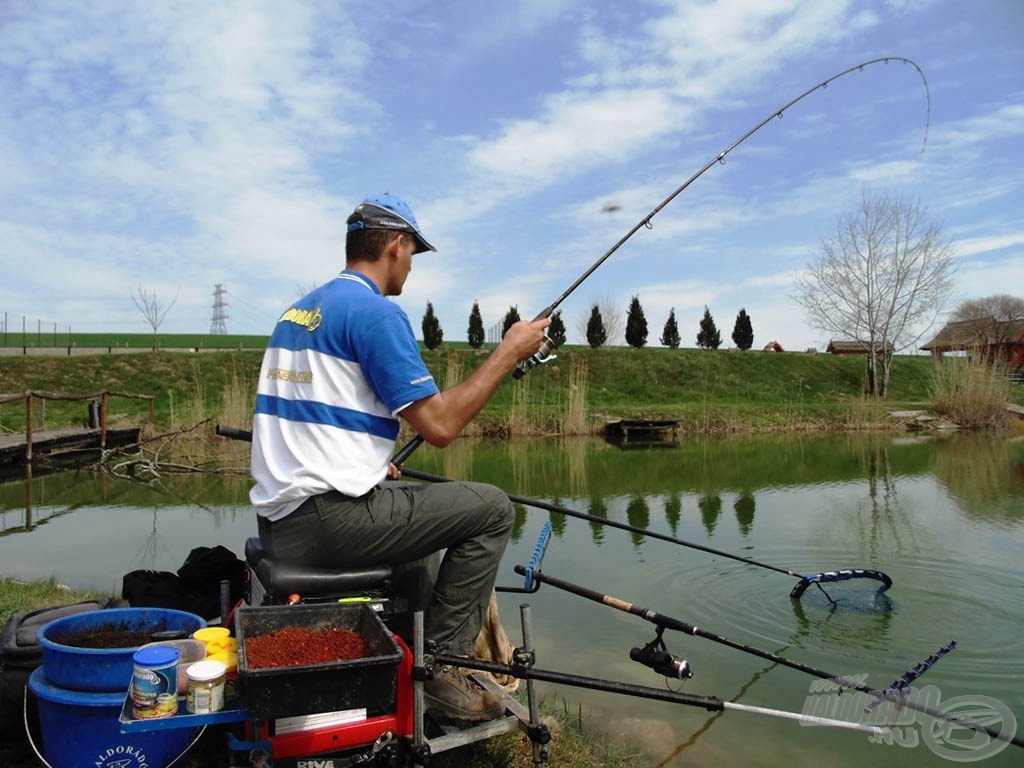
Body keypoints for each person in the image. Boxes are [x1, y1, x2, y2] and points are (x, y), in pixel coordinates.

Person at [249, 193, 551, 723]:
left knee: (421, 522)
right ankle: (443, 672)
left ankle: (405, 654)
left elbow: (313, 417)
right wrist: (508, 352)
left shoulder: (298, 313)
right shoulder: (376, 314)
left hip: (282, 519)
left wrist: (366, 462)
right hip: (326, 521)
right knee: (491, 508)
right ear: (395, 244)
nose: (411, 265)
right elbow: (439, 426)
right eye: (413, 252)